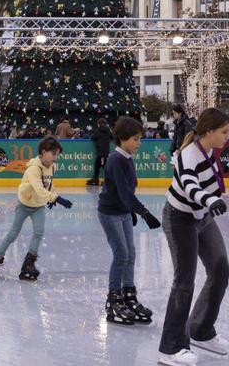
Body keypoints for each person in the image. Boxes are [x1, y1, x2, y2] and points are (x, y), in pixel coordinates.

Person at [159, 108, 229, 366]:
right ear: (208, 131)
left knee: (220, 269)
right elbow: (190, 185)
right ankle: (172, 346)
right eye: (223, 132)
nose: (227, 136)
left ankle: (201, 329)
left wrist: (210, 201)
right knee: (184, 281)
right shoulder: (187, 155)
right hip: (180, 219)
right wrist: (210, 199)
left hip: (202, 216)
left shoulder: (209, 151)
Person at [0, 137, 74, 281]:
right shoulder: (33, 169)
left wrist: (51, 195)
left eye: (57, 154)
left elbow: (49, 184)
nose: (55, 158)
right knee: (13, 234)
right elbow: (38, 188)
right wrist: (56, 198)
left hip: (38, 206)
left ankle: (28, 265)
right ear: (43, 152)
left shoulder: (52, 166)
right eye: (53, 154)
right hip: (24, 205)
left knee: (38, 232)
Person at [98, 117, 161, 326]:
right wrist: (144, 212)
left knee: (131, 254)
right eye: (135, 139)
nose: (139, 143)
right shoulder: (116, 159)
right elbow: (124, 192)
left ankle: (128, 295)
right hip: (110, 213)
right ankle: (113, 298)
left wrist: (131, 211)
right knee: (121, 255)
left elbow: (125, 191)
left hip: (123, 212)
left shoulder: (126, 158)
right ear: (123, 138)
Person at [87, 118, 114, 186]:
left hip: (100, 152)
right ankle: (96, 179)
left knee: (102, 166)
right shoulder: (108, 130)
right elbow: (112, 137)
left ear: (99, 124)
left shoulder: (98, 130)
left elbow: (93, 138)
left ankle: (106, 180)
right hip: (105, 152)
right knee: (99, 166)